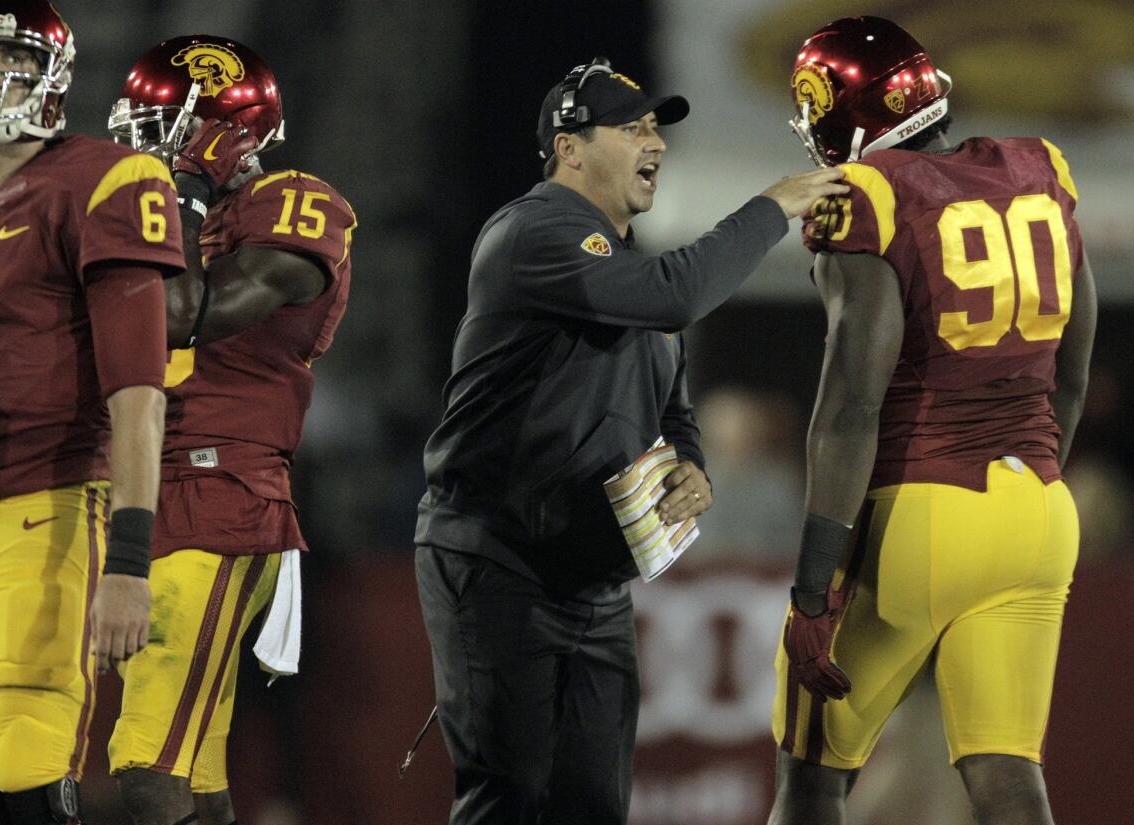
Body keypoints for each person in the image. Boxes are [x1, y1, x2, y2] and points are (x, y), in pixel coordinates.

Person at [414, 57, 847, 824]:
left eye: (657, 127)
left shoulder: (623, 269)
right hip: (498, 561)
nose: (656, 141)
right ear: (568, 148)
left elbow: (670, 409)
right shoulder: (534, 229)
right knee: (508, 799)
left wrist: (691, 465)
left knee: (593, 806)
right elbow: (676, 295)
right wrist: (769, 207)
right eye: (632, 126)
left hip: (591, 583)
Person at [769, 17, 1095, 825]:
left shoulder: (872, 196)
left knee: (813, 778)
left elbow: (849, 408)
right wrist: (1029, 477)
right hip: (1041, 512)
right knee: (1008, 777)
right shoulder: (1041, 169)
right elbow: (1073, 376)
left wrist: (815, 593)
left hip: (921, 516)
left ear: (838, 113)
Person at [0, 1, 184, 823]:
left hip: (39, 513)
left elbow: (139, 391)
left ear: (50, 77)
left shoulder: (104, 182)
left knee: (31, 779)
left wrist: (131, 559)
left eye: (7, 57)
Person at [106, 35, 355, 825]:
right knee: (196, 774)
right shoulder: (168, 212)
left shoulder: (295, 203)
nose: (145, 145)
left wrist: (186, 188)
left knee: (145, 767)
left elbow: (179, 314)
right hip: (148, 487)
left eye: (163, 127)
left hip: (220, 491)